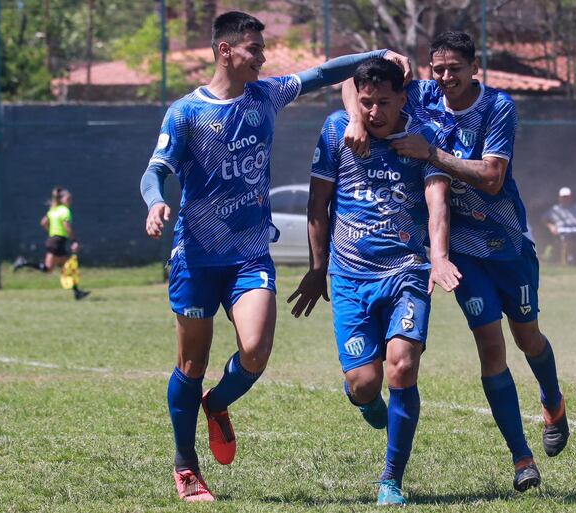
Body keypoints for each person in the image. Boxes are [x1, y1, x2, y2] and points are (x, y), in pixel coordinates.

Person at [138, 11, 411, 502]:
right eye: (253, 49)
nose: (263, 58)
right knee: (191, 362)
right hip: (196, 257)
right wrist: (156, 200)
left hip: (249, 255)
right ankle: (186, 466)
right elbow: (154, 170)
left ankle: (216, 404)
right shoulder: (186, 113)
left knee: (256, 350)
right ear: (226, 51)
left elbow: (327, 73)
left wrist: (376, 56)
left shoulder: (267, 94)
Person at [342, 31, 568, 492]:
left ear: (474, 67)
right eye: (438, 69)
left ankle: (553, 400)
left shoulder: (498, 108)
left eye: (455, 70)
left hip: (507, 244)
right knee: (490, 346)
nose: (445, 78)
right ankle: (522, 460)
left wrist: (433, 153)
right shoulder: (424, 94)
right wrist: (357, 118)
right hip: (463, 252)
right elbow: (354, 82)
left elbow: (491, 176)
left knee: (528, 338)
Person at [288, 58, 459, 506]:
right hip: (349, 277)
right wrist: (317, 267)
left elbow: (437, 201)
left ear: (403, 98)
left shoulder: (423, 136)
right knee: (364, 382)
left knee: (402, 366)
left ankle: (391, 480)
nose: (375, 112)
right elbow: (318, 201)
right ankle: (366, 401)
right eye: (367, 103)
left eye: (385, 102)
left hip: (406, 270)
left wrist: (438, 257)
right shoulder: (336, 131)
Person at [13, 187, 90, 300]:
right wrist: (74, 241)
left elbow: (43, 222)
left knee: (49, 268)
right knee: (66, 267)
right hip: (58, 242)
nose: (70, 201)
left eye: (70, 199)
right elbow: (67, 227)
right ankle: (77, 292)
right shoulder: (65, 211)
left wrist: (52, 232)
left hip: (52, 241)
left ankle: (23, 262)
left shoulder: (53, 210)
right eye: (67, 198)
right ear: (61, 199)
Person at [543, 187, 576, 265]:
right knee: (567, 237)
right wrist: (551, 226)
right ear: (559, 198)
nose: (566, 199)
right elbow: (543, 219)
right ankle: (570, 259)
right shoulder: (555, 209)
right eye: (564, 197)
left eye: (567, 197)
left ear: (570, 197)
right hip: (563, 231)